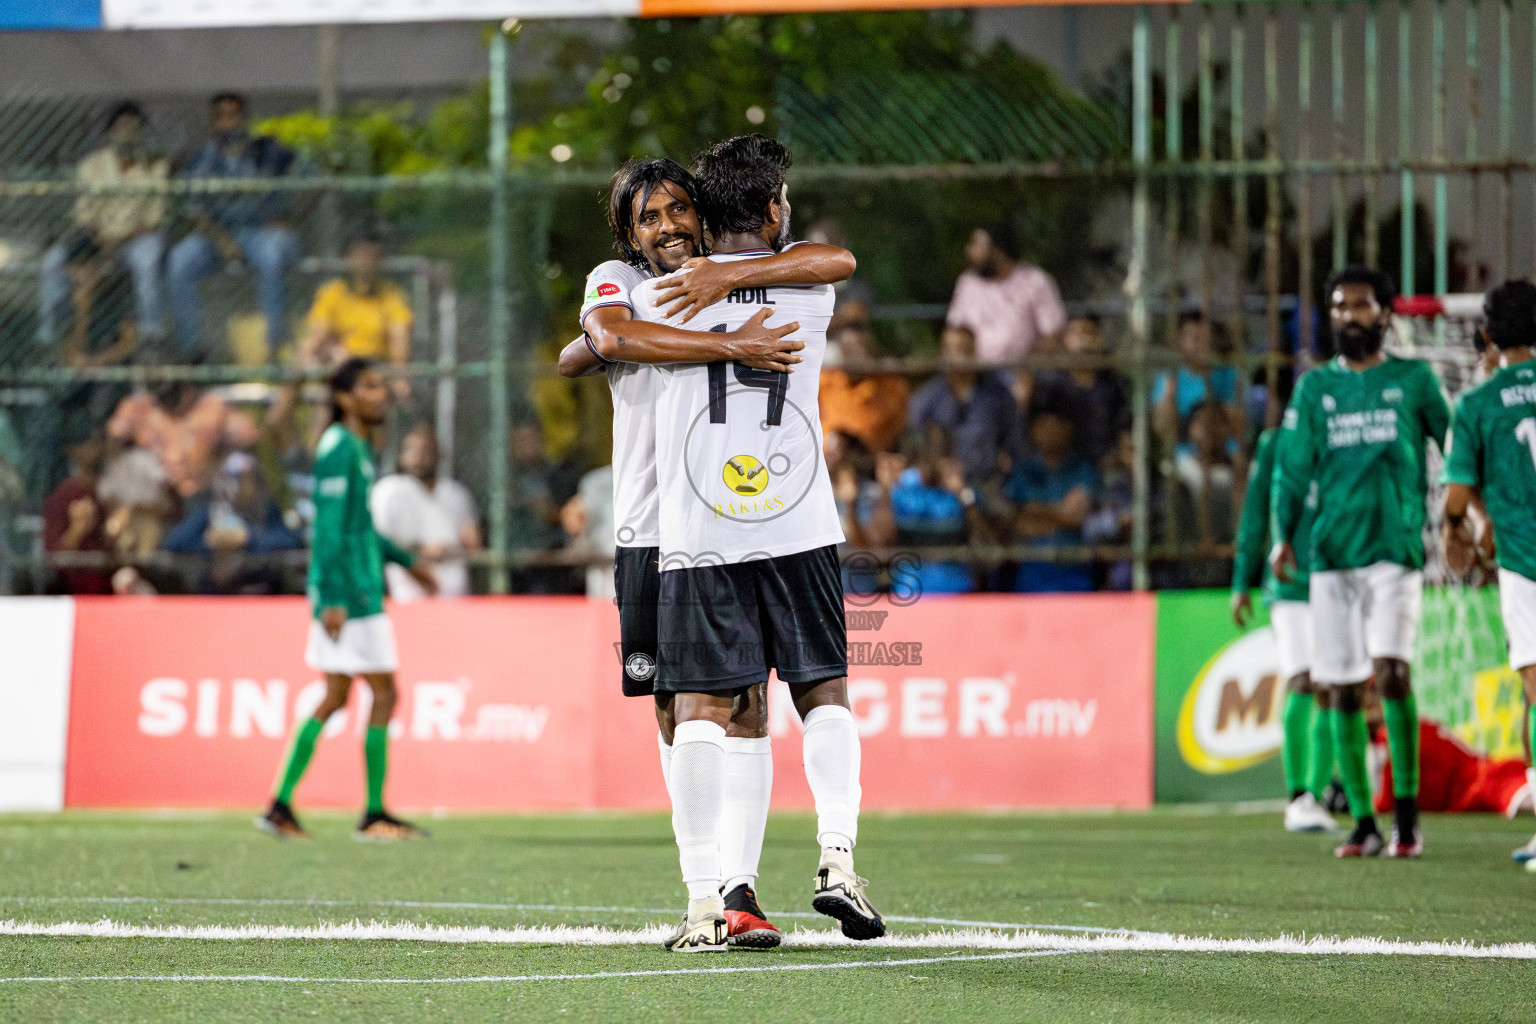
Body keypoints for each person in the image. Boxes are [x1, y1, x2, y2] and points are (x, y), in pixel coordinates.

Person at [556, 155, 855, 951]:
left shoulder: (716, 281)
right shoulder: (618, 282)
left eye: (679, 210)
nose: (668, 228)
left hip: (724, 521)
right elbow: (597, 341)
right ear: (627, 234)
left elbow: (825, 261)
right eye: (649, 218)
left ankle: (738, 892)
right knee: (675, 708)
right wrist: (727, 347)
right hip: (650, 526)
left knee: (747, 703)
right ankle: (705, 886)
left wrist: (723, 288)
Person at [632, 134, 883, 952]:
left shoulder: (659, 295)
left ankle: (705, 899)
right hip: (800, 523)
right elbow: (831, 260)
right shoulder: (806, 295)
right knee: (823, 693)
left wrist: (713, 277)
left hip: (700, 534)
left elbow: (597, 344)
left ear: (703, 218)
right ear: (775, 209)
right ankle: (837, 861)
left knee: (702, 710)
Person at [1271, 265, 1451, 859]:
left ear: (1385, 314)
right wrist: (1280, 536)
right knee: (1342, 692)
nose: (1350, 316)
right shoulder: (1315, 389)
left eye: (1362, 305)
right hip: (1331, 558)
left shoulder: (1415, 380)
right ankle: (1365, 824)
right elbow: (1292, 469)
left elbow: (1456, 451)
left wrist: (1459, 520)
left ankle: (1406, 817)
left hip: (1395, 552)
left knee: (1393, 672)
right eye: (1340, 307)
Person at [256, 358, 437, 842]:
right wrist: (331, 597)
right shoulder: (339, 449)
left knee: (337, 696)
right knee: (383, 693)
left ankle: (280, 806)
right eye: (371, 386)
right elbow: (329, 530)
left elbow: (359, 528)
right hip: (352, 598)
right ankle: (373, 813)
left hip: (356, 588)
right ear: (344, 397)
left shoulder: (355, 448)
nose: (382, 395)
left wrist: (405, 559)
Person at [1438, 279, 1536, 867]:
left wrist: (1457, 528)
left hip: (1526, 561)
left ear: (1489, 335)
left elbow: (1456, 491)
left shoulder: (1476, 403)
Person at [1232, 423, 1336, 833]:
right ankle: (1298, 796)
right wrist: (1242, 580)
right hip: (1289, 583)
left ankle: (1318, 793)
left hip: (1337, 579)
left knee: (1334, 687)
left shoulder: (1343, 435)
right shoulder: (1275, 444)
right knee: (1303, 680)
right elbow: (1256, 511)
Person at [168, 92, 301, 360]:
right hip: (217, 235)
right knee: (179, 260)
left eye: (234, 115)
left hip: (261, 232)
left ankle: (274, 343)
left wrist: (290, 216)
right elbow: (195, 210)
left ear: (244, 119)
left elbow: (313, 178)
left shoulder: (268, 151)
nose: (229, 122)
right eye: (222, 116)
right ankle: (191, 348)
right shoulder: (204, 159)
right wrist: (222, 240)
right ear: (213, 122)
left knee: (272, 254)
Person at [39, 100, 167, 346]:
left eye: (133, 128)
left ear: (141, 133)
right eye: (121, 127)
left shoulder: (154, 165)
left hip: (136, 238)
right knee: (51, 262)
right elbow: (83, 214)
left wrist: (120, 240)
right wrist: (100, 241)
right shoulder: (91, 165)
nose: (127, 133)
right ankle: (50, 332)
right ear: (110, 132)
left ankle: (152, 332)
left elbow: (154, 217)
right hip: (96, 239)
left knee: (147, 261)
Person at [162, 451, 303, 594]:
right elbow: (173, 543)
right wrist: (210, 541)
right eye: (229, 478)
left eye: (245, 479)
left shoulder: (266, 508)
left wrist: (247, 537)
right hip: (214, 590)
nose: (236, 486)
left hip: (258, 586)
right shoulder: (210, 509)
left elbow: (290, 541)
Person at [370, 425, 480, 601]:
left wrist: (472, 541)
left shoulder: (456, 493)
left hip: (455, 596)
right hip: (407, 595)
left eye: (426, 450)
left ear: (439, 455)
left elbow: (474, 545)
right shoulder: (387, 490)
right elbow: (377, 541)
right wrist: (422, 550)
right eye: (410, 449)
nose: (418, 456)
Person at [301, 228, 414, 395]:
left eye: (373, 256)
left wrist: (399, 374)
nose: (366, 262)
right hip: (339, 362)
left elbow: (400, 336)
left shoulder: (391, 296)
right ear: (349, 257)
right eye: (361, 255)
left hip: (374, 365)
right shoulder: (333, 293)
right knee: (311, 372)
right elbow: (318, 335)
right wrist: (309, 358)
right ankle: (276, 420)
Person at [1005, 390, 1097, 593]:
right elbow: (1016, 523)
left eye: (1052, 423)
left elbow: (1076, 516)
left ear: (1068, 427)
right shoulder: (1024, 472)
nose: (1046, 430)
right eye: (1040, 424)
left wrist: (1036, 511)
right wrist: (1060, 516)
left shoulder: (1083, 468)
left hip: (1075, 574)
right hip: (1032, 574)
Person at [907, 325, 1021, 485]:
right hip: (940, 485)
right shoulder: (929, 396)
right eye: (948, 348)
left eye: (961, 348)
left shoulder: (997, 394)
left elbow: (1015, 440)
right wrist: (931, 463)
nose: (954, 355)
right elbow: (912, 437)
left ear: (973, 351)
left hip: (988, 480)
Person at [944, 222, 1066, 364]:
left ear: (998, 252)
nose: (969, 250)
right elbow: (955, 329)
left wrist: (1029, 368)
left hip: (1021, 371)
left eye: (977, 245)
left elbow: (1053, 335)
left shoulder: (1035, 281)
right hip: (975, 373)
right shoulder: (968, 283)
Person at [1153, 312, 1244, 495]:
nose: (1199, 344)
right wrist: (1170, 393)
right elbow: (1162, 430)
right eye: (1193, 337)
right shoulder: (1168, 378)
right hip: (1184, 455)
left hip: (1225, 454)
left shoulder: (1228, 374)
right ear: (1180, 342)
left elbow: (1238, 426)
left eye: (1205, 338)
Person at [819, 298, 909, 453]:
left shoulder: (892, 387)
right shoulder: (822, 381)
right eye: (845, 329)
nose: (852, 339)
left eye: (859, 328)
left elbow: (896, 442)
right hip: (827, 469)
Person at [1035, 315, 1129, 463]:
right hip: (1064, 466)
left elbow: (1125, 426)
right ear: (1065, 338)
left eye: (1091, 332)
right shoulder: (1051, 384)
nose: (1085, 339)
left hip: (1107, 463)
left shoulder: (1115, 383)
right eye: (1077, 333)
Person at [42, 435, 113, 595]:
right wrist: (78, 529)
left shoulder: (104, 495)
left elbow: (111, 553)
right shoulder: (69, 494)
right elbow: (53, 562)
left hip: (105, 589)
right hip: (71, 591)